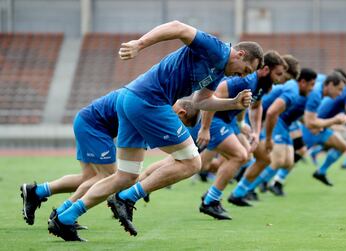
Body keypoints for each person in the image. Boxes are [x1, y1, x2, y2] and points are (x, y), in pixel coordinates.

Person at [48, 20, 264, 241]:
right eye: (245, 70)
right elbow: (178, 27)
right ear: (239, 54)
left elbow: (201, 101)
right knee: (192, 162)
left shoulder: (219, 70)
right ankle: (127, 198)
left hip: (132, 98)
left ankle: (65, 217)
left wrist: (234, 103)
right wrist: (139, 44)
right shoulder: (217, 49)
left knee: (126, 175)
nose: (241, 76)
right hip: (149, 100)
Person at [20, 89, 199, 228]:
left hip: (87, 121)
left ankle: (37, 192)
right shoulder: (157, 109)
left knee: (89, 178)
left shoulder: (157, 101)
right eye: (181, 124)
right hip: (94, 126)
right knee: (110, 178)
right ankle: (61, 213)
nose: (177, 127)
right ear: (181, 113)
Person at [191, 51, 286, 219]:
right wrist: (205, 128)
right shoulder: (246, 80)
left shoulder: (262, 85)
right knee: (237, 156)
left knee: (245, 156)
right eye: (278, 74)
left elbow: (256, 106)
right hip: (214, 120)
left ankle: (211, 195)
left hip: (228, 122)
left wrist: (255, 131)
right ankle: (210, 201)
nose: (280, 79)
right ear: (265, 69)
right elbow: (214, 95)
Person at [228, 68, 317, 201]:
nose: (312, 89)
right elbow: (272, 112)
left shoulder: (297, 91)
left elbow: (283, 113)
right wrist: (268, 138)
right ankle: (243, 189)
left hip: (272, 122)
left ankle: (243, 189)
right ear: (302, 82)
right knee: (271, 159)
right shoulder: (293, 90)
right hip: (255, 122)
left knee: (286, 161)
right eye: (311, 85)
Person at [303, 74, 346, 186]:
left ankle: (321, 171)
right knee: (289, 158)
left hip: (322, 127)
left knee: (342, 146)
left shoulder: (337, 93)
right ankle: (272, 180)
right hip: (313, 127)